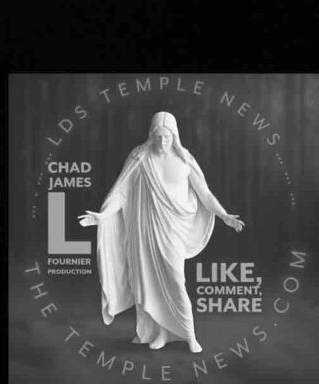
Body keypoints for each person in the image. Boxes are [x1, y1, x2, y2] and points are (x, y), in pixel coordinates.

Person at [79, 110, 245, 356]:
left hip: (173, 230)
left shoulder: (185, 159)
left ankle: (189, 335)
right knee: (150, 282)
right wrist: (102, 216)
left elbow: (205, 193)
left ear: (174, 136)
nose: (162, 142)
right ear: (151, 135)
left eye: (167, 137)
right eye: (158, 136)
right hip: (146, 231)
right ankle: (161, 333)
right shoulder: (140, 157)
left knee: (176, 281)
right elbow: (122, 193)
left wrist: (224, 216)